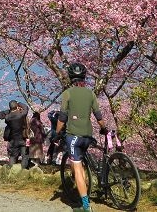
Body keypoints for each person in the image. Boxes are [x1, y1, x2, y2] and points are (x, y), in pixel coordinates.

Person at [56, 62, 107, 212]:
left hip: (74, 137)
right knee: (81, 163)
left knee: (77, 168)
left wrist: (57, 133)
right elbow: (98, 116)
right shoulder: (91, 93)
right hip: (87, 136)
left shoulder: (68, 93)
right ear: (84, 76)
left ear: (70, 77)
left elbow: (62, 117)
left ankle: (85, 206)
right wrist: (104, 128)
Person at [0, 99, 28, 166]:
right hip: (22, 139)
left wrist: (9, 111)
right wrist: (19, 103)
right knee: (25, 156)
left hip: (13, 140)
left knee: (13, 156)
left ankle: (11, 170)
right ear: (17, 106)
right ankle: (23, 170)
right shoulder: (21, 114)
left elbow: (1, 114)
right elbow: (26, 107)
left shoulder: (8, 117)